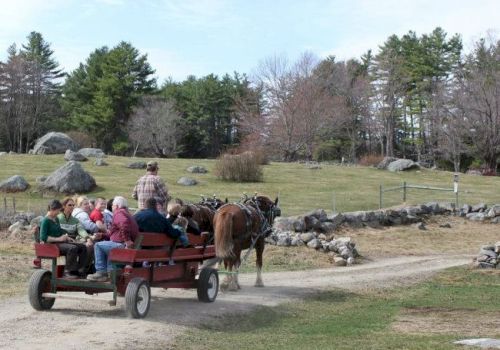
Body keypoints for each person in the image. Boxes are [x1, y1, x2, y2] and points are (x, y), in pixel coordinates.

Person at [87, 196, 139, 282]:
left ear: (117, 206)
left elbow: (124, 224)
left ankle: (101, 273)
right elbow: (114, 232)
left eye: (113, 205)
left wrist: (126, 240)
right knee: (107, 245)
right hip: (123, 244)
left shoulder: (119, 213)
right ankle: (110, 273)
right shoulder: (127, 213)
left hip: (122, 245)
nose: (112, 207)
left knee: (98, 245)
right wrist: (102, 235)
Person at [40, 199, 87, 279]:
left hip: (59, 242)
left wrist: (67, 237)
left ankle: (78, 270)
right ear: (52, 209)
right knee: (72, 248)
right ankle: (67, 271)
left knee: (82, 247)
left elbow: (59, 231)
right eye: (58, 210)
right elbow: (43, 237)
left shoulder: (56, 219)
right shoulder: (45, 221)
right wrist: (59, 239)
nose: (59, 213)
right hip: (52, 244)